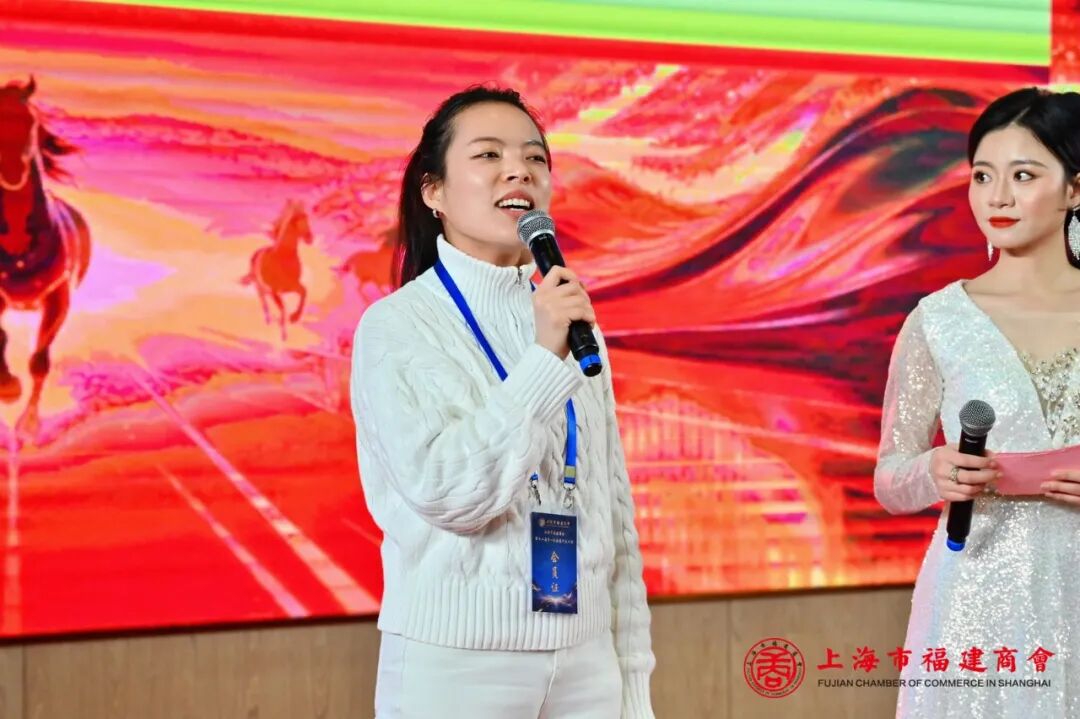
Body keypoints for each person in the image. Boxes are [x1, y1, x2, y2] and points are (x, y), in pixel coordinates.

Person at [350, 85, 655, 719]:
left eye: (535, 158)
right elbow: (450, 493)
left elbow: (614, 514)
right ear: (433, 191)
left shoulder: (570, 320)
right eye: (488, 155)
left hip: (588, 659)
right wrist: (543, 360)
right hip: (458, 663)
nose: (519, 171)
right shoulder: (396, 326)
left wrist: (632, 683)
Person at [875, 87, 1080, 717]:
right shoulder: (939, 321)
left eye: (1024, 175)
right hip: (976, 595)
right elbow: (889, 478)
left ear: (1075, 188)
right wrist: (932, 472)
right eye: (983, 176)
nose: (997, 198)